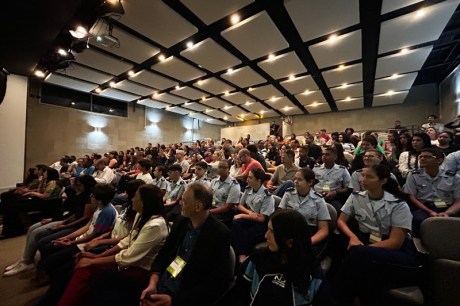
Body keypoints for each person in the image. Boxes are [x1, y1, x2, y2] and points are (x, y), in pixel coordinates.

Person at [56, 185, 170, 306]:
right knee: (78, 264)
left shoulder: (156, 225)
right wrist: (96, 257)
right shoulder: (141, 214)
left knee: (86, 270)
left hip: (139, 269)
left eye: (135, 197)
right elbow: (126, 241)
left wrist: (94, 260)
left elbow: (129, 256)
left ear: (143, 202)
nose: (131, 199)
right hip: (126, 261)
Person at [336, 165, 419, 306]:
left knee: (356, 258)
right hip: (364, 242)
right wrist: (353, 237)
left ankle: (339, 298)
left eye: (369, 177)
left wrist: (364, 249)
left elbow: (395, 242)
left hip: (394, 250)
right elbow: (341, 221)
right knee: (341, 246)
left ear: (383, 181)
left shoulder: (398, 204)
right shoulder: (357, 197)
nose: (363, 180)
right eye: (363, 176)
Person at [140, 183, 232, 306]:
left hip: (186, 297)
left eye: (184, 200)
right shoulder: (181, 221)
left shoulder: (220, 234)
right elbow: (164, 253)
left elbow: (216, 282)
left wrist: (174, 301)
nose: (180, 203)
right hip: (165, 282)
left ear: (198, 207)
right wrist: (153, 282)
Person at [229, 209, 328, 306]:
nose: (266, 236)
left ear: (289, 242)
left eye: (272, 232)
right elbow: (240, 293)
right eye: (268, 229)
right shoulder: (257, 258)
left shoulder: (313, 277)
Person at [4, 175, 97, 276]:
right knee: (32, 228)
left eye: (79, 185)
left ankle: (26, 261)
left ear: (86, 185)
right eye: (76, 184)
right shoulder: (74, 193)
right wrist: (53, 219)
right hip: (64, 219)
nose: (76, 186)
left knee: (37, 233)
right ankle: (25, 259)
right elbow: (68, 211)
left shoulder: (89, 198)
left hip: (71, 223)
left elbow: (82, 217)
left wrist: (62, 224)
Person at [403, 148, 460, 237]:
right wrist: (429, 211)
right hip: (423, 207)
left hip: (447, 207)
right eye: (420, 157)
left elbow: (458, 201)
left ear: (439, 160)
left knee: (452, 223)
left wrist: (447, 213)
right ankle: (420, 247)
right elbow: (412, 197)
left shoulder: (453, 177)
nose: (422, 159)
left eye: (427, 157)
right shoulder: (414, 175)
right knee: (417, 219)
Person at [279, 168, 331, 258]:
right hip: (290, 230)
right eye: (295, 179)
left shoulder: (318, 200)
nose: (295, 182)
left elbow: (324, 230)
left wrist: (309, 241)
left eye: (299, 179)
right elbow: (279, 216)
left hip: (309, 233)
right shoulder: (288, 194)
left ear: (310, 182)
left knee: (301, 256)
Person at [1, 167, 62, 238]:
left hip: (47, 204)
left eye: (45, 173)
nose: (44, 174)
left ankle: (13, 230)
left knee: (12, 206)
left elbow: (45, 196)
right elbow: (39, 191)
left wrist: (32, 192)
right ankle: (13, 228)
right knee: (11, 203)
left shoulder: (52, 183)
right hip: (41, 201)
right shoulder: (46, 181)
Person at [232, 168, 275, 262]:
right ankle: (241, 257)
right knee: (235, 224)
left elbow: (262, 218)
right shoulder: (248, 189)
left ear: (258, 180)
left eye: (250, 178)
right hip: (250, 218)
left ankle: (241, 260)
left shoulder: (267, 196)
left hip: (260, 224)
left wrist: (243, 215)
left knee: (242, 235)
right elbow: (239, 205)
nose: (247, 179)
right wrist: (249, 213)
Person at [313, 146, 351, 212]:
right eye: (323, 154)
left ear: (335, 157)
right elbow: (310, 184)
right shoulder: (316, 169)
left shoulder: (342, 170)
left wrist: (335, 192)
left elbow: (347, 187)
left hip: (333, 197)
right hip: (316, 196)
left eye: (327, 154)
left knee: (337, 210)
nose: (324, 156)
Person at [210, 160, 241, 225]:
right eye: (220, 167)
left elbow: (227, 208)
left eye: (224, 168)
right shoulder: (214, 181)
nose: (221, 169)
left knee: (207, 221)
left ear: (229, 170)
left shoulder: (234, 184)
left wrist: (209, 212)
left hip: (225, 213)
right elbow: (210, 197)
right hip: (213, 208)